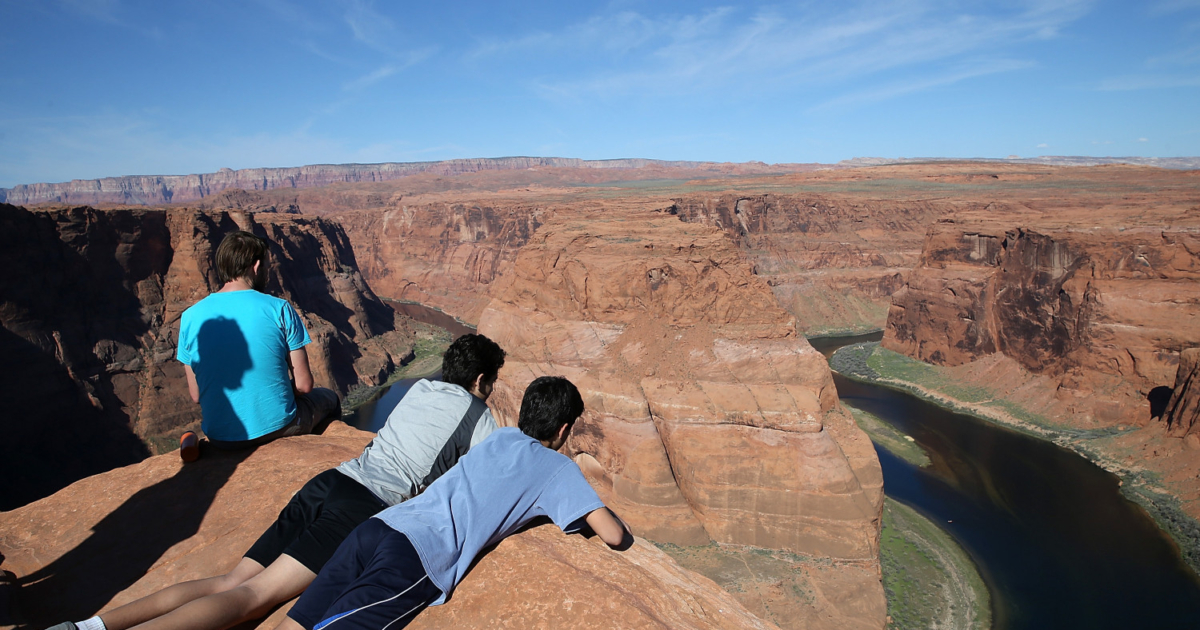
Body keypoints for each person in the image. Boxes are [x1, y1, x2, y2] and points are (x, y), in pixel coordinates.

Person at [49, 333, 507, 630]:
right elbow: (496, 473)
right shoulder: (479, 415)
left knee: (230, 580)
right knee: (253, 598)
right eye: (493, 381)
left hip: (328, 483)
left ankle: (90, 626)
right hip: (362, 508)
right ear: (482, 379)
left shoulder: (421, 388)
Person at [279, 376, 631, 630]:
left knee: (297, 622)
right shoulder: (558, 468)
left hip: (378, 526)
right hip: (417, 557)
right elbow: (613, 535)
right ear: (563, 429)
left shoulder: (501, 437)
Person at [175, 230, 339, 456]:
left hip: (221, 438)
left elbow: (196, 395)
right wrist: (274, 394)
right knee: (329, 398)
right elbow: (304, 386)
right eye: (266, 267)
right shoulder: (279, 308)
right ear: (256, 266)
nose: (267, 273)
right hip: (280, 428)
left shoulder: (190, 317)